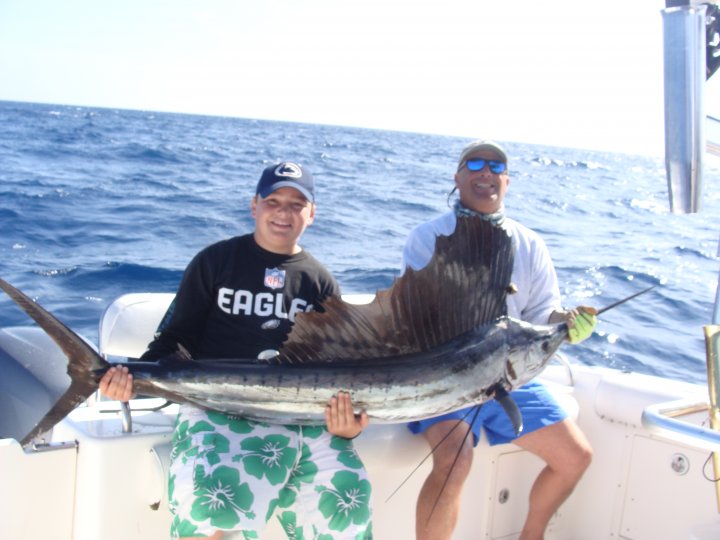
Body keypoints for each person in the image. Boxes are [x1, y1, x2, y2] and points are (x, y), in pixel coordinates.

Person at [99, 161, 372, 540]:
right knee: (215, 516)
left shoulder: (320, 282)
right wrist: (133, 378)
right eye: (274, 200)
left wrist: (350, 426)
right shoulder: (215, 261)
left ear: (312, 213)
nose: (283, 212)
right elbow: (176, 339)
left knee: (348, 513)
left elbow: (337, 369)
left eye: (296, 204)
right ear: (254, 205)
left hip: (303, 418)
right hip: (217, 407)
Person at [402, 140, 596, 540]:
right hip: (446, 377)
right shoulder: (428, 237)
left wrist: (568, 324)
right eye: (474, 164)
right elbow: (414, 320)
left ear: (507, 181)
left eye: (496, 166)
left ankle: (532, 535)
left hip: (510, 380)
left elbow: (545, 316)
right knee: (455, 461)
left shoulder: (530, 244)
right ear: (457, 178)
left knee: (576, 457)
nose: (485, 172)